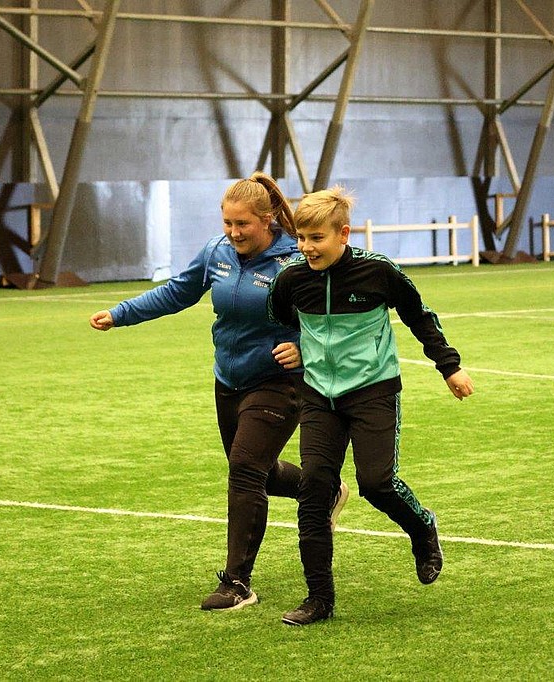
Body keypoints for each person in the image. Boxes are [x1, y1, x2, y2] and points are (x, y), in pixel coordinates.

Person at [89, 172, 350, 612]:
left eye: (242, 224)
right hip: (228, 380)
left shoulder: (296, 261)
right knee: (257, 471)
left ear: (267, 220)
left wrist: (304, 347)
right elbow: (178, 292)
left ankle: (236, 583)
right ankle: (323, 490)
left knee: (245, 470)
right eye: (227, 223)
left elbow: (333, 316)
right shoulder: (217, 252)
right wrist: (121, 313)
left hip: (279, 382)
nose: (233, 232)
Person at [267, 185, 475, 626]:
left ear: (343, 234)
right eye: (301, 237)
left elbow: (419, 316)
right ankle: (319, 598)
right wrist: (298, 347)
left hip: (373, 391)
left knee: (377, 483)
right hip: (318, 397)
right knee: (314, 490)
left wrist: (449, 367)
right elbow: (283, 321)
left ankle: (422, 527)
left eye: (317, 238)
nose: (306, 247)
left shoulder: (378, 272)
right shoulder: (291, 280)